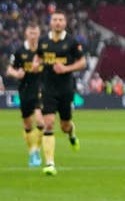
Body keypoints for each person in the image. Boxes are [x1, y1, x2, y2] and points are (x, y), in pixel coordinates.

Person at [36, 11, 86, 175]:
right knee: (48, 123)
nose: (58, 22)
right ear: (51, 23)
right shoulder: (43, 41)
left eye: (61, 20)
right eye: (55, 20)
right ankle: (50, 163)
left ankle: (72, 134)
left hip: (65, 89)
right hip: (48, 88)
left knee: (65, 126)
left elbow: (82, 62)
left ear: (65, 23)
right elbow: (38, 58)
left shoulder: (71, 42)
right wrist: (36, 64)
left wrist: (66, 68)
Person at [6, 22, 44, 167]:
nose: (33, 36)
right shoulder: (19, 51)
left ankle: (36, 150)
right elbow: (9, 69)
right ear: (26, 34)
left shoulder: (44, 51)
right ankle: (32, 152)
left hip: (40, 88)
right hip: (25, 89)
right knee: (28, 124)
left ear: (39, 34)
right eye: (31, 33)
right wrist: (17, 73)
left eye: (35, 33)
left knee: (41, 122)